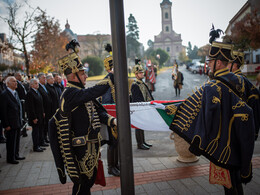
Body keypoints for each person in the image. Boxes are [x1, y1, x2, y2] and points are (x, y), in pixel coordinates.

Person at [167, 30, 255, 194]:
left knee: (229, 186)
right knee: (236, 182)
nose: (207, 64)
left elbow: (197, 105)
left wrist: (175, 110)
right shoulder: (239, 81)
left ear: (219, 63)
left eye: (210, 61)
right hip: (238, 140)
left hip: (223, 146)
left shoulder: (212, 86)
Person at [49, 40, 117, 195]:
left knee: (88, 184)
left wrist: (112, 121)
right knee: (81, 186)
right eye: (82, 73)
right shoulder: (70, 94)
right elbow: (93, 92)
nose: (86, 76)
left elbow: (97, 111)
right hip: (79, 153)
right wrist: (110, 76)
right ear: (73, 76)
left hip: (92, 148)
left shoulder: (79, 92)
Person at [228, 51, 260, 140]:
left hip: (239, 128)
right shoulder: (241, 79)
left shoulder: (237, 80)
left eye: (228, 64)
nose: (226, 66)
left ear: (234, 65)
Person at [99, 44, 120, 177]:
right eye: (113, 67)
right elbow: (107, 102)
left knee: (117, 142)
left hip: (117, 116)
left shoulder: (115, 79)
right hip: (111, 117)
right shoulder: (107, 81)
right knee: (112, 142)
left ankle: (115, 164)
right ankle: (110, 167)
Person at [0, 76, 25, 164]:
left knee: (17, 139)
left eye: (16, 81)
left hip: (17, 121)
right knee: (11, 141)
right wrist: (6, 125)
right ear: (8, 83)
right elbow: (3, 111)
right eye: (14, 81)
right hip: (10, 123)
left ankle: (16, 154)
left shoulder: (15, 92)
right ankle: (10, 158)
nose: (16, 83)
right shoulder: (4, 94)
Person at [131, 62, 153, 150]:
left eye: (142, 72)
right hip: (138, 109)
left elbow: (148, 94)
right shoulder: (135, 85)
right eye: (140, 73)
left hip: (144, 108)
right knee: (138, 127)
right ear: (136, 75)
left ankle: (143, 142)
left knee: (142, 126)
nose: (142, 74)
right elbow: (136, 99)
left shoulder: (142, 83)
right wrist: (142, 106)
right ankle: (139, 144)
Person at [26, 78, 45, 152]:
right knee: (35, 132)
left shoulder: (37, 92)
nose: (38, 85)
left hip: (40, 115)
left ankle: (39, 144)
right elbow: (31, 107)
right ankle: (36, 146)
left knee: (40, 131)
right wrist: (34, 117)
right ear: (31, 85)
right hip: (35, 116)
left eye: (37, 83)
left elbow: (41, 103)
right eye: (36, 83)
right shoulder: (30, 93)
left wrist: (43, 112)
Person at [38, 73, 52, 144]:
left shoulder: (44, 86)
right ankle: (42, 139)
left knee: (46, 124)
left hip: (48, 109)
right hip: (44, 109)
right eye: (43, 78)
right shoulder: (39, 87)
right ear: (39, 79)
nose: (45, 79)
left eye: (45, 78)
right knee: (43, 125)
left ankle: (45, 138)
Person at [14, 72, 28, 137]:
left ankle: (24, 131)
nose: (20, 77)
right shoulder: (16, 84)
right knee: (22, 117)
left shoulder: (20, 83)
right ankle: (22, 131)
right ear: (16, 76)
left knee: (24, 117)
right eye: (19, 76)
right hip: (20, 102)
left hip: (23, 102)